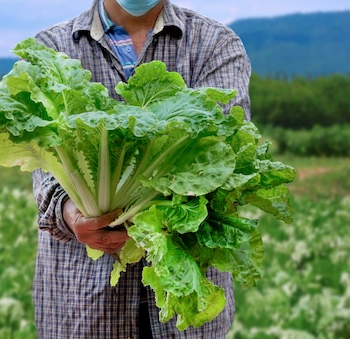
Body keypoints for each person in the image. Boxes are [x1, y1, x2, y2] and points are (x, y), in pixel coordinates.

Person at [31, 0, 251, 338]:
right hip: (82, 306)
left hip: (181, 303)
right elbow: (45, 167)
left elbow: (223, 159)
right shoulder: (52, 48)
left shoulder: (214, 44)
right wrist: (73, 212)